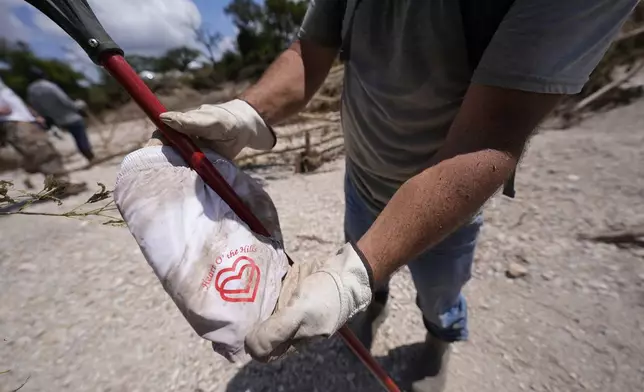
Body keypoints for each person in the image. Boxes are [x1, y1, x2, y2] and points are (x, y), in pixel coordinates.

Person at [155, 0, 639, 390]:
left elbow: (496, 127)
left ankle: (438, 338)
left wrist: (352, 275)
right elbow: (312, 47)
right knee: (365, 265)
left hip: (447, 201)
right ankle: (372, 305)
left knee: (439, 291)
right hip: (362, 175)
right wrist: (248, 112)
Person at [0, 76, 87, 198]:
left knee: (43, 151)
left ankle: (59, 185)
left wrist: (32, 115)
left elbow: (13, 101)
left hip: (23, 120)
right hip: (13, 122)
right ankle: (62, 186)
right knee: (43, 153)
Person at [26, 67, 95, 162]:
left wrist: (48, 118)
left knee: (76, 136)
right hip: (71, 116)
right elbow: (65, 101)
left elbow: (37, 107)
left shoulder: (31, 91)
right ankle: (89, 155)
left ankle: (87, 154)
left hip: (58, 120)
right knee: (80, 136)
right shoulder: (50, 86)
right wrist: (78, 108)